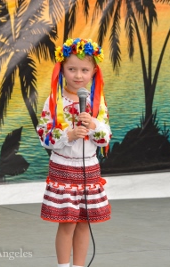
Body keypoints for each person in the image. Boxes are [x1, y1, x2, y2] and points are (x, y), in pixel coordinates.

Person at [36, 38, 112, 267]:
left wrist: (94, 126)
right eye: (72, 69)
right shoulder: (53, 102)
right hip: (64, 167)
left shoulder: (96, 104)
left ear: (93, 72)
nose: (78, 75)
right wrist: (67, 135)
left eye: (84, 70)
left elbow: (105, 138)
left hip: (88, 168)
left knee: (83, 222)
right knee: (67, 222)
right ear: (62, 70)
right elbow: (44, 136)